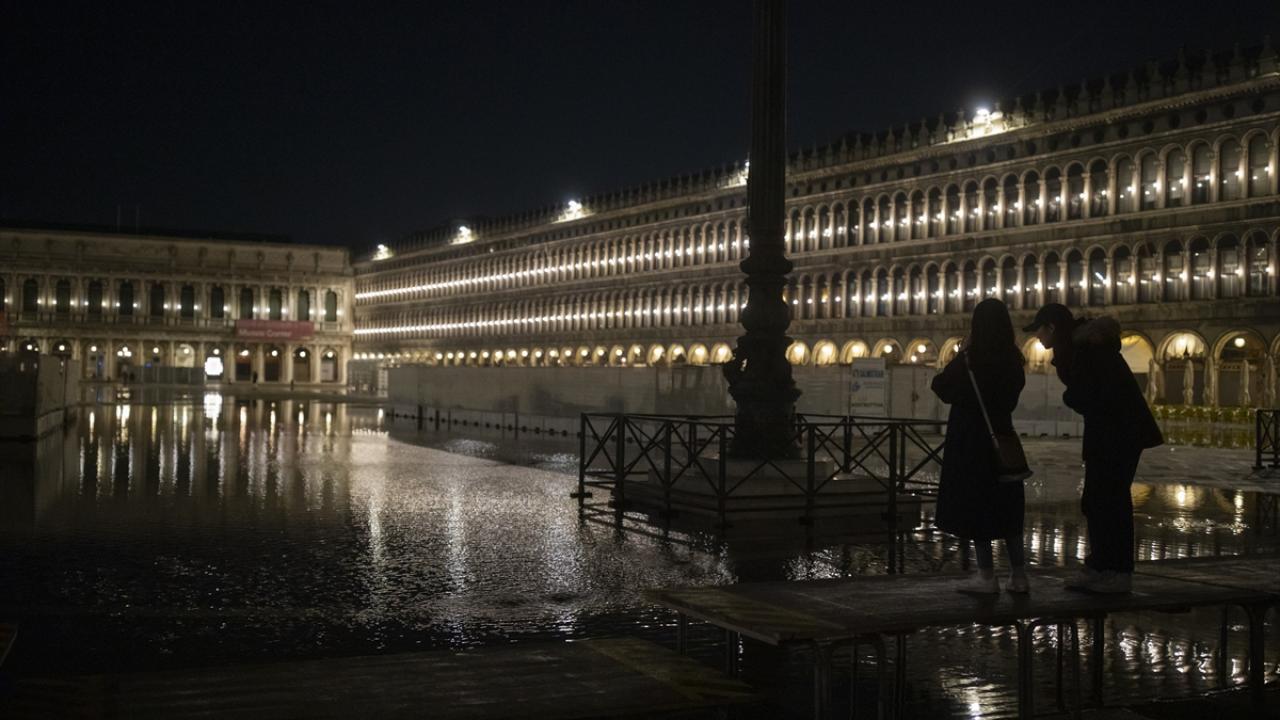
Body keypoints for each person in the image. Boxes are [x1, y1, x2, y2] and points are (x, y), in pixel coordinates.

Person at [1025, 303, 1163, 594]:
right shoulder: (1080, 347)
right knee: (1098, 500)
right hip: (1112, 431)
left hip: (1118, 432)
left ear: (1051, 328)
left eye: (1038, 329)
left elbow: (1094, 393)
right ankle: (1101, 566)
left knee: (1109, 501)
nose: (1036, 337)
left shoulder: (1084, 350)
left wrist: (1071, 395)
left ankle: (1116, 572)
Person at [931, 298, 1028, 594]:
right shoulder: (1014, 359)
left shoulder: (972, 358)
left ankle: (986, 576)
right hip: (1002, 436)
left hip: (971, 440)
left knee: (978, 504)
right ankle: (1019, 576)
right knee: (1008, 506)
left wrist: (962, 354)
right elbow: (1012, 395)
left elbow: (940, 385)